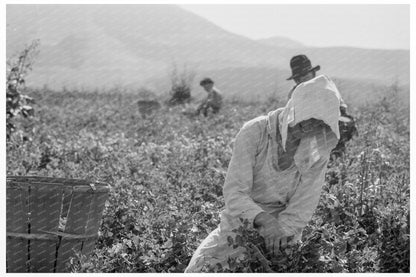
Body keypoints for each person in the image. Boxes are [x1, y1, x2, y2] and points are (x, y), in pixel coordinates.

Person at [185, 75, 342, 272]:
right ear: (294, 108)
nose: (310, 125)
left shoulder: (316, 148)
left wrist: (279, 232)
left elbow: (304, 203)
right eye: (308, 116)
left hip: (285, 229)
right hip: (241, 222)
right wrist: (265, 222)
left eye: (319, 122)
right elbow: (235, 194)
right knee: (199, 271)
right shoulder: (256, 132)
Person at [286, 55, 357, 156]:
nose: (303, 78)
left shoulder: (326, 87)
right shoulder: (293, 93)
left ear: (312, 73)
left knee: (341, 125)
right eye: (300, 76)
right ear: (296, 79)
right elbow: (291, 117)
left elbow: (341, 110)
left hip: (331, 122)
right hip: (306, 128)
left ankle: (336, 156)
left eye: (306, 74)